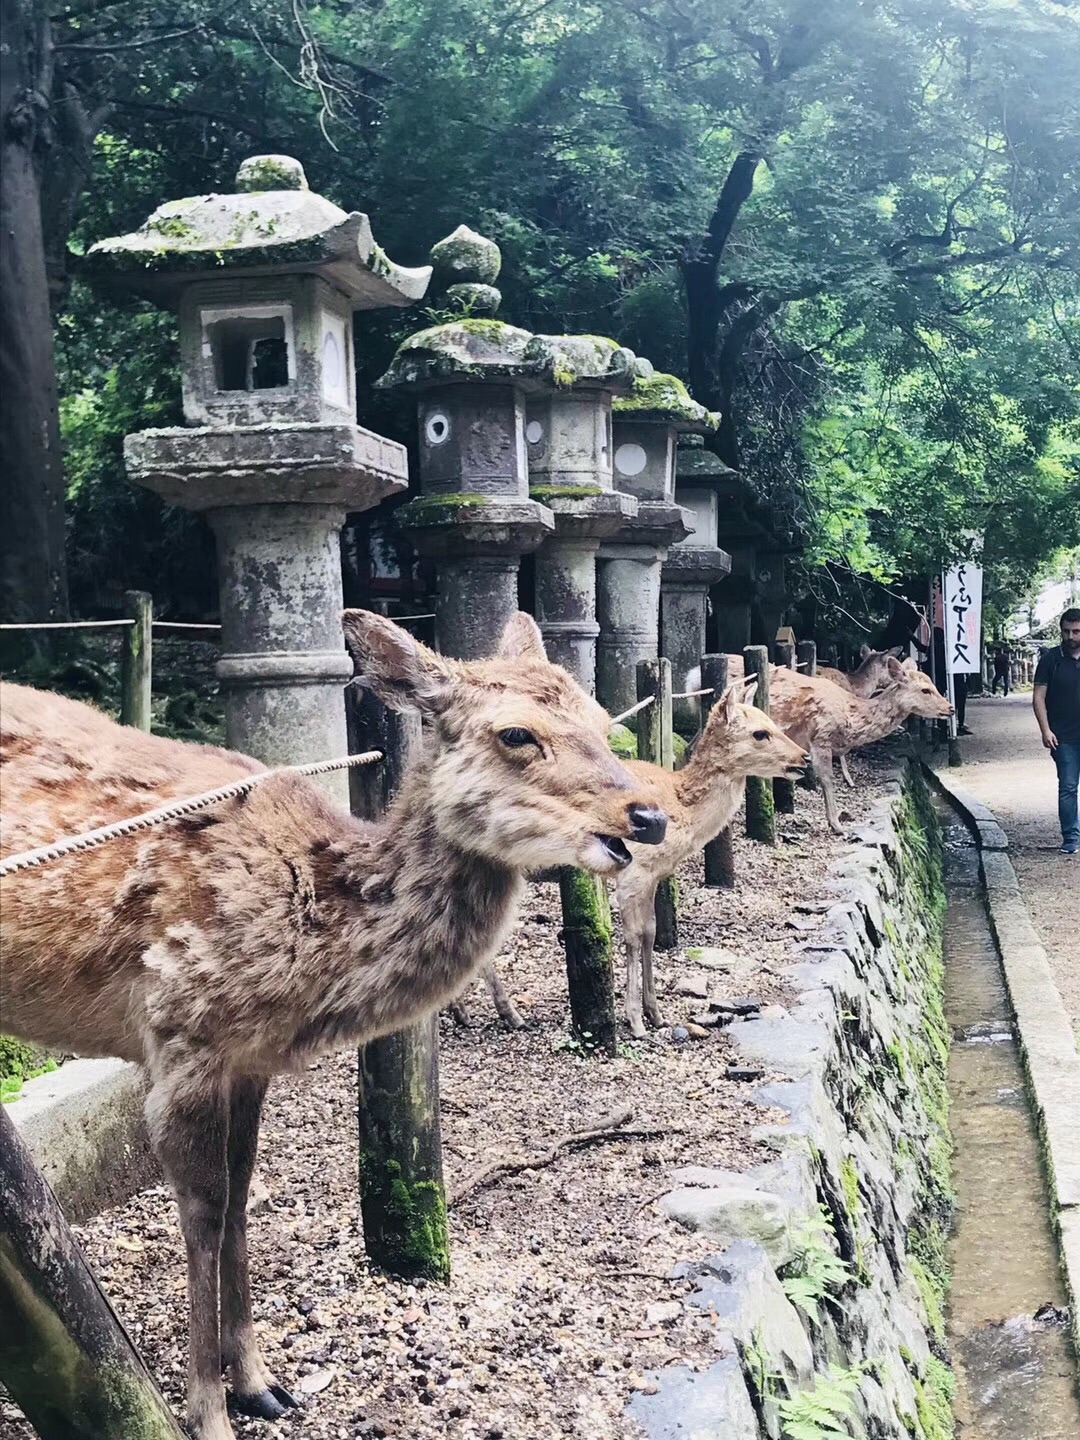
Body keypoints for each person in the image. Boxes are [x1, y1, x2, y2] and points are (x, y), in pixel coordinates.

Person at [1033, 608, 1080, 855]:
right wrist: (1045, 730)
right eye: (1066, 631)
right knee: (1069, 786)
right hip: (1063, 736)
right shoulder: (1051, 659)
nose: (1071, 636)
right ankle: (1071, 837)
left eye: (1076, 631)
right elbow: (1038, 697)